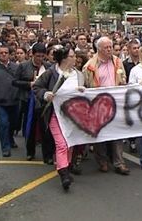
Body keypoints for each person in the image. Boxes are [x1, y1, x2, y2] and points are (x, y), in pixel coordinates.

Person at [33, 45, 84, 191]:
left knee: (70, 143)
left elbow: (84, 92)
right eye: (72, 56)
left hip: (73, 115)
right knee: (61, 143)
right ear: (64, 58)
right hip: (55, 113)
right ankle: (63, 174)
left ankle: (66, 167)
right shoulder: (51, 73)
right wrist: (46, 94)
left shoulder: (79, 75)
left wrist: (83, 90)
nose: (75, 58)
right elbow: (36, 87)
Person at [82, 36, 130, 175]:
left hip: (116, 103)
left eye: (111, 47)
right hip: (99, 104)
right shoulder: (90, 66)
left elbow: (122, 78)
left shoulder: (117, 61)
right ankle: (102, 161)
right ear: (99, 49)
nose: (110, 50)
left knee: (117, 133)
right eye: (106, 48)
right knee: (100, 135)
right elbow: (87, 86)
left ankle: (119, 163)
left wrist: (123, 83)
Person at [13, 43, 53, 162]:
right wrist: (28, 84)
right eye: (37, 56)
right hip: (27, 101)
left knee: (45, 129)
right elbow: (14, 82)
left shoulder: (48, 67)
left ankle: (48, 156)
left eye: (42, 56)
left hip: (43, 103)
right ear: (32, 54)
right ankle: (30, 152)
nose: (40, 59)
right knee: (29, 128)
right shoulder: (23, 66)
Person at [0, 45, 19, 157]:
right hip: (0, 102)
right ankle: (5, 147)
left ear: (9, 54)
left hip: (15, 100)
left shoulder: (16, 67)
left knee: (14, 123)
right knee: (3, 124)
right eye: (1, 53)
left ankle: (10, 138)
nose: (4, 54)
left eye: (6, 52)